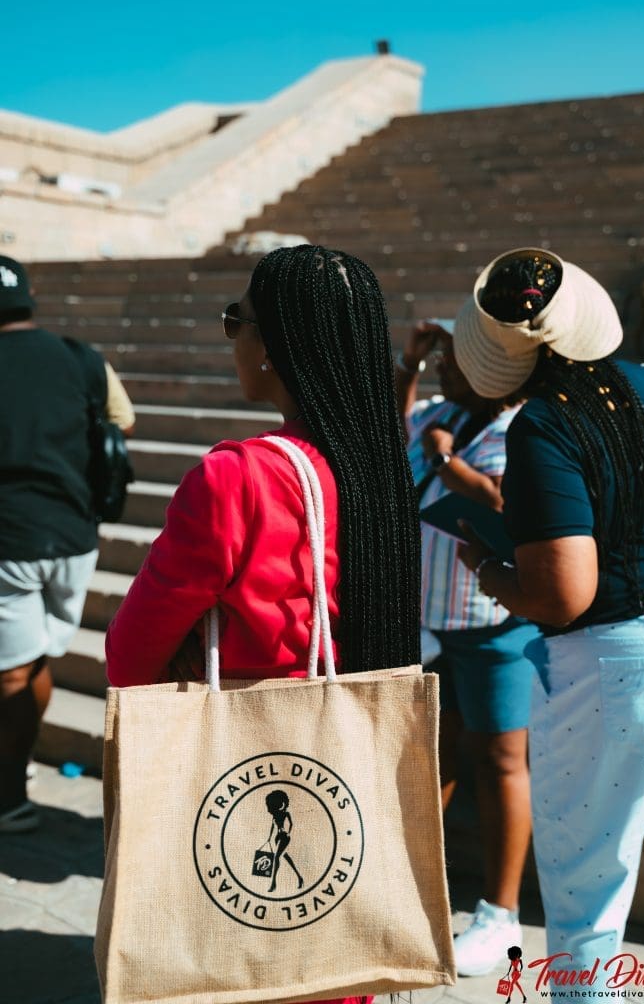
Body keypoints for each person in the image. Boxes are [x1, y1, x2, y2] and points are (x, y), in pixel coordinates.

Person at [105, 244, 422, 1004]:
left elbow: (125, 654)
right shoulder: (382, 464)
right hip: (344, 775)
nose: (232, 339)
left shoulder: (236, 476)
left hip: (243, 767)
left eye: (233, 321)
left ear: (275, 347)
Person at [452, 248, 644, 992]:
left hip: (608, 668)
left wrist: (489, 571)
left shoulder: (543, 426)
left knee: (588, 892)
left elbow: (563, 595)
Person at [395, 320, 536, 976]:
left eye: (455, 361)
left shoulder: (523, 428)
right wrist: (411, 362)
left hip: (494, 624)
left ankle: (499, 914)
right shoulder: (440, 410)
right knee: (433, 756)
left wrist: (448, 461)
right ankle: (413, 884)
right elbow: (387, 428)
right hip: (431, 621)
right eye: (444, 360)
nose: (447, 372)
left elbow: (510, 505)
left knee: (502, 760)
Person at [0, 254, 135, 834]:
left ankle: (7, 796)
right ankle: (14, 770)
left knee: (12, 671)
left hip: (10, 540)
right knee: (33, 662)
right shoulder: (81, 358)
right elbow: (122, 421)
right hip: (75, 537)